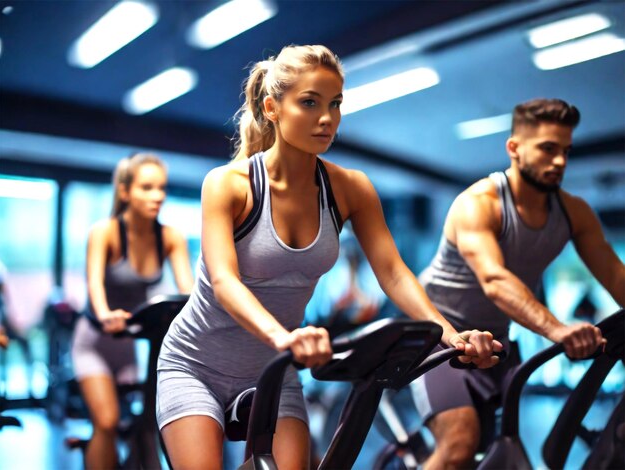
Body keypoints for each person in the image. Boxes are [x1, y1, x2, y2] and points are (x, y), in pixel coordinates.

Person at [156, 44, 502, 470]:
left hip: (274, 369)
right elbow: (226, 281)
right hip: (197, 364)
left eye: (335, 104)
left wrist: (451, 334)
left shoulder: (350, 188)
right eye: (309, 103)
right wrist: (284, 337)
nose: (327, 118)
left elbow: (393, 273)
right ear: (273, 107)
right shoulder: (229, 184)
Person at [413, 98, 624, 469]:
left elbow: (615, 274)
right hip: (438, 336)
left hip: (496, 341)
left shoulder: (574, 212)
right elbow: (495, 280)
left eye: (565, 151)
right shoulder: (478, 203)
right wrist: (558, 329)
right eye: (547, 149)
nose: (559, 160)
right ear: (514, 148)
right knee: (460, 445)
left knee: (501, 452)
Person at [70, 153, 194, 469]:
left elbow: (189, 292)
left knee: (147, 422)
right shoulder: (106, 232)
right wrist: (104, 313)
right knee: (108, 421)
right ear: (125, 192)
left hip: (131, 345)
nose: (158, 196)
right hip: (95, 341)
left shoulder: (170, 237)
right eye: (147, 187)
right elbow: (94, 285)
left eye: (162, 188)